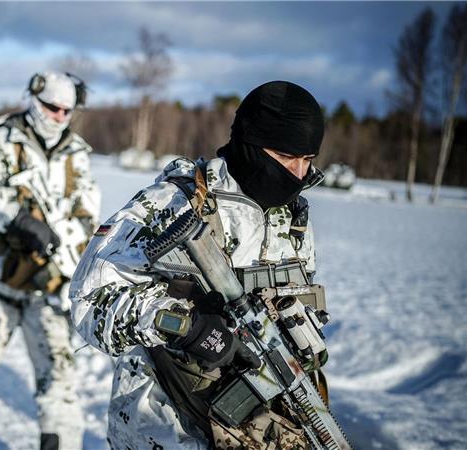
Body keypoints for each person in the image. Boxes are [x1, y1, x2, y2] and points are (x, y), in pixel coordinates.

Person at [69, 80, 326, 449]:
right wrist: (186, 327)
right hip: (162, 422)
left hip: (256, 423)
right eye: (287, 158)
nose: (298, 175)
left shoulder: (293, 217)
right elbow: (90, 297)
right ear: (252, 145)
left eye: (308, 161)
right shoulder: (176, 203)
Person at [0, 71, 100, 450]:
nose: (59, 117)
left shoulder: (77, 153)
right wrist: (13, 221)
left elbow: (89, 211)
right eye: (52, 107)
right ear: (33, 99)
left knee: (59, 379)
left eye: (67, 110)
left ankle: (59, 442)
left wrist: (70, 238)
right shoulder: (0, 142)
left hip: (49, 288)